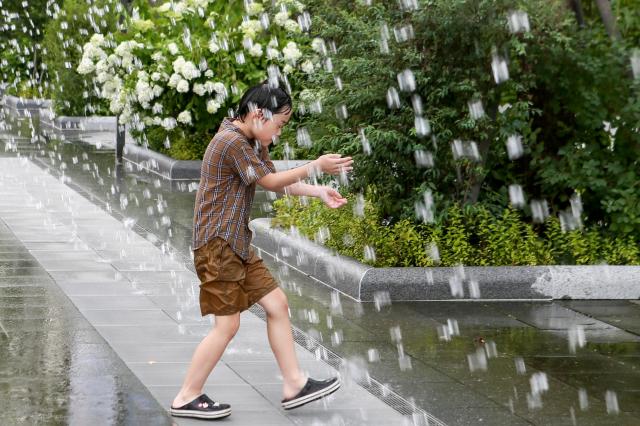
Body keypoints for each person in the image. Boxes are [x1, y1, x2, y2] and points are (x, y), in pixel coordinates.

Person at [170, 81, 354, 420]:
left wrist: (317, 191)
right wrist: (316, 164)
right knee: (226, 327)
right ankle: (186, 395)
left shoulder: (252, 140)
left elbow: (273, 178)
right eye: (279, 125)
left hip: (236, 242)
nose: (279, 133)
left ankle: (294, 384)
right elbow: (269, 183)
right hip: (218, 246)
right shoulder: (231, 142)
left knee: (277, 304)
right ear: (259, 114)